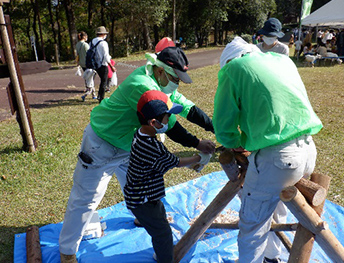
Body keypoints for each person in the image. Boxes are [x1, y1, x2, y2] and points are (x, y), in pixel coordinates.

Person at [58, 46, 216, 263]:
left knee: (137, 186)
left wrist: (215, 127)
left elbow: (187, 107)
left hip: (130, 144)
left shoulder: (161, 83)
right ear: (160, 70)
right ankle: (67, 251)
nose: (176, 83)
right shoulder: (142, 86)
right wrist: (198, 144)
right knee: (86, 198)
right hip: (102, 143)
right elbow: (169, 125)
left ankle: (143, 218)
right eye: (174, 77)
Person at [214, 36, 323, 263]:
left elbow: (223, 127)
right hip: (308, 148)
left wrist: (236, 144)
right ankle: (272, 257)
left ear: (229, 61)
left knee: (252, 225)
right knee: (278, 207)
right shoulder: (281, 60)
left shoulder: (233, 69)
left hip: (279, 158)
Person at [124, 90, 211, 263]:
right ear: (154, 122)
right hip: (142, 199)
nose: (169, 121)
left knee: (160, 219)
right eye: (167, 118)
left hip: (144, 194)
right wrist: (199, 157)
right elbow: (175, 162)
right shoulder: (152, 146)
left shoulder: (140, 134)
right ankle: (165, 259)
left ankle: (161, 252)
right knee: (163, 233)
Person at [90, 26, 116, 103]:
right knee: (104, 81)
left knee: (93, 80)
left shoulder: (92, 42)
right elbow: (106, 56)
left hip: (94, 64)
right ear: (103, 34)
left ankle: (97, 94)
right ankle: (101, 97)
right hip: (102, 64)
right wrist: (111, 66)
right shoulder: (103, 43)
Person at [76, 31, 97, 101]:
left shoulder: (77, 44)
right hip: (87, 64)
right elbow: (89, 54)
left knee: (88, 78)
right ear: (84, 37)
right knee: (91, 78)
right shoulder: (85, 45)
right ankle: (91, 93)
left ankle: (91, 91)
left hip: (82, 63)